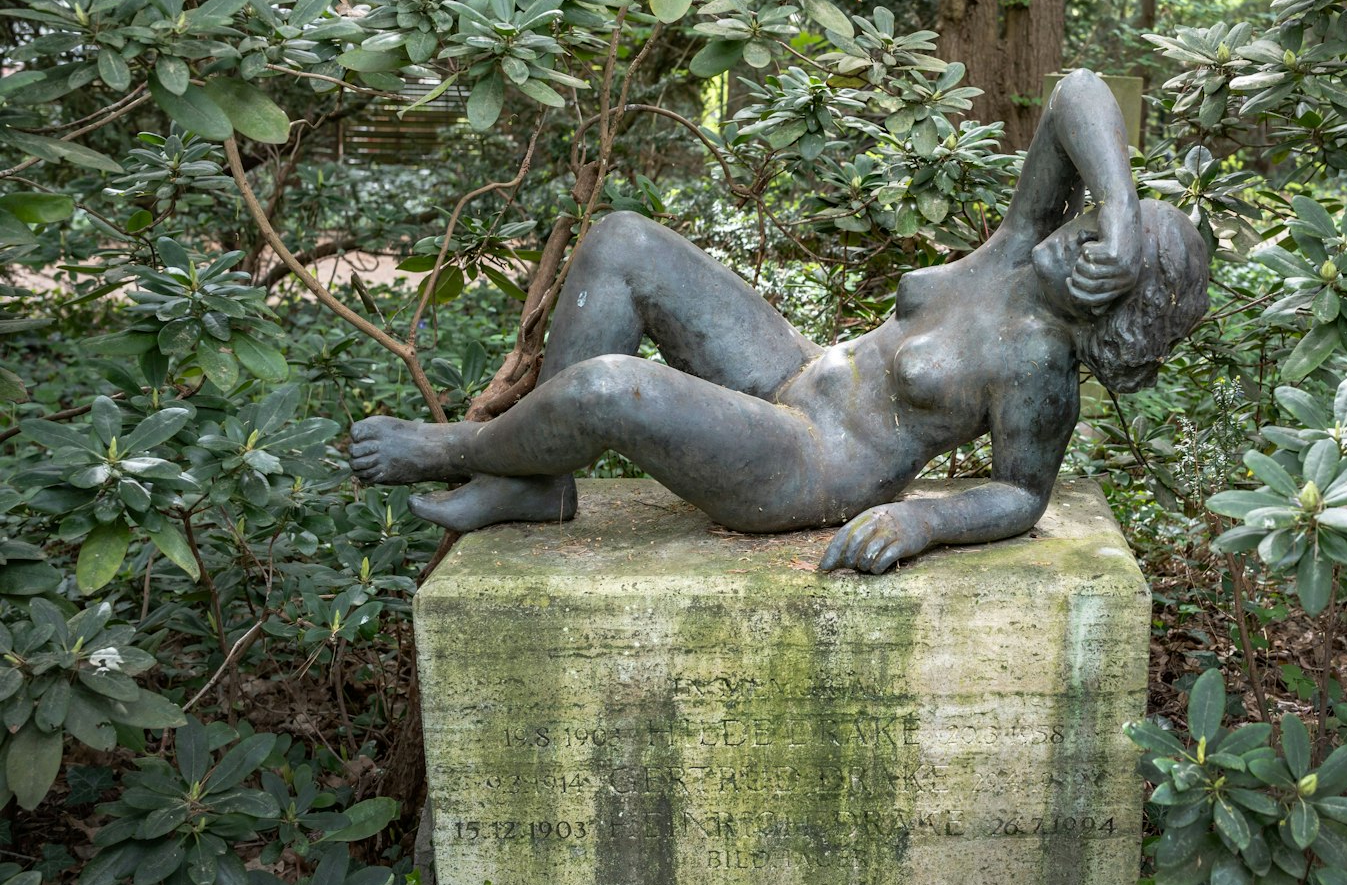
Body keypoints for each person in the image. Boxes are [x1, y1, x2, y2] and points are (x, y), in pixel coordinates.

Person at [348, 69, 1210, 573]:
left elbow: (1023, 496)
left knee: (614, 391)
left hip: (811, 463)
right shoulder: (1019, 246)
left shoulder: (1042, 370)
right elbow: (1078, 92)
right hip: (797, 372)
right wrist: (1123, 209)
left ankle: (456, 446)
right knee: (621, 243)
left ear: (1120, 305)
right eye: (1092, 229)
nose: (1079, 242)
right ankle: (539, 482)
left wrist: (923, 521)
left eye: (1103, 258)